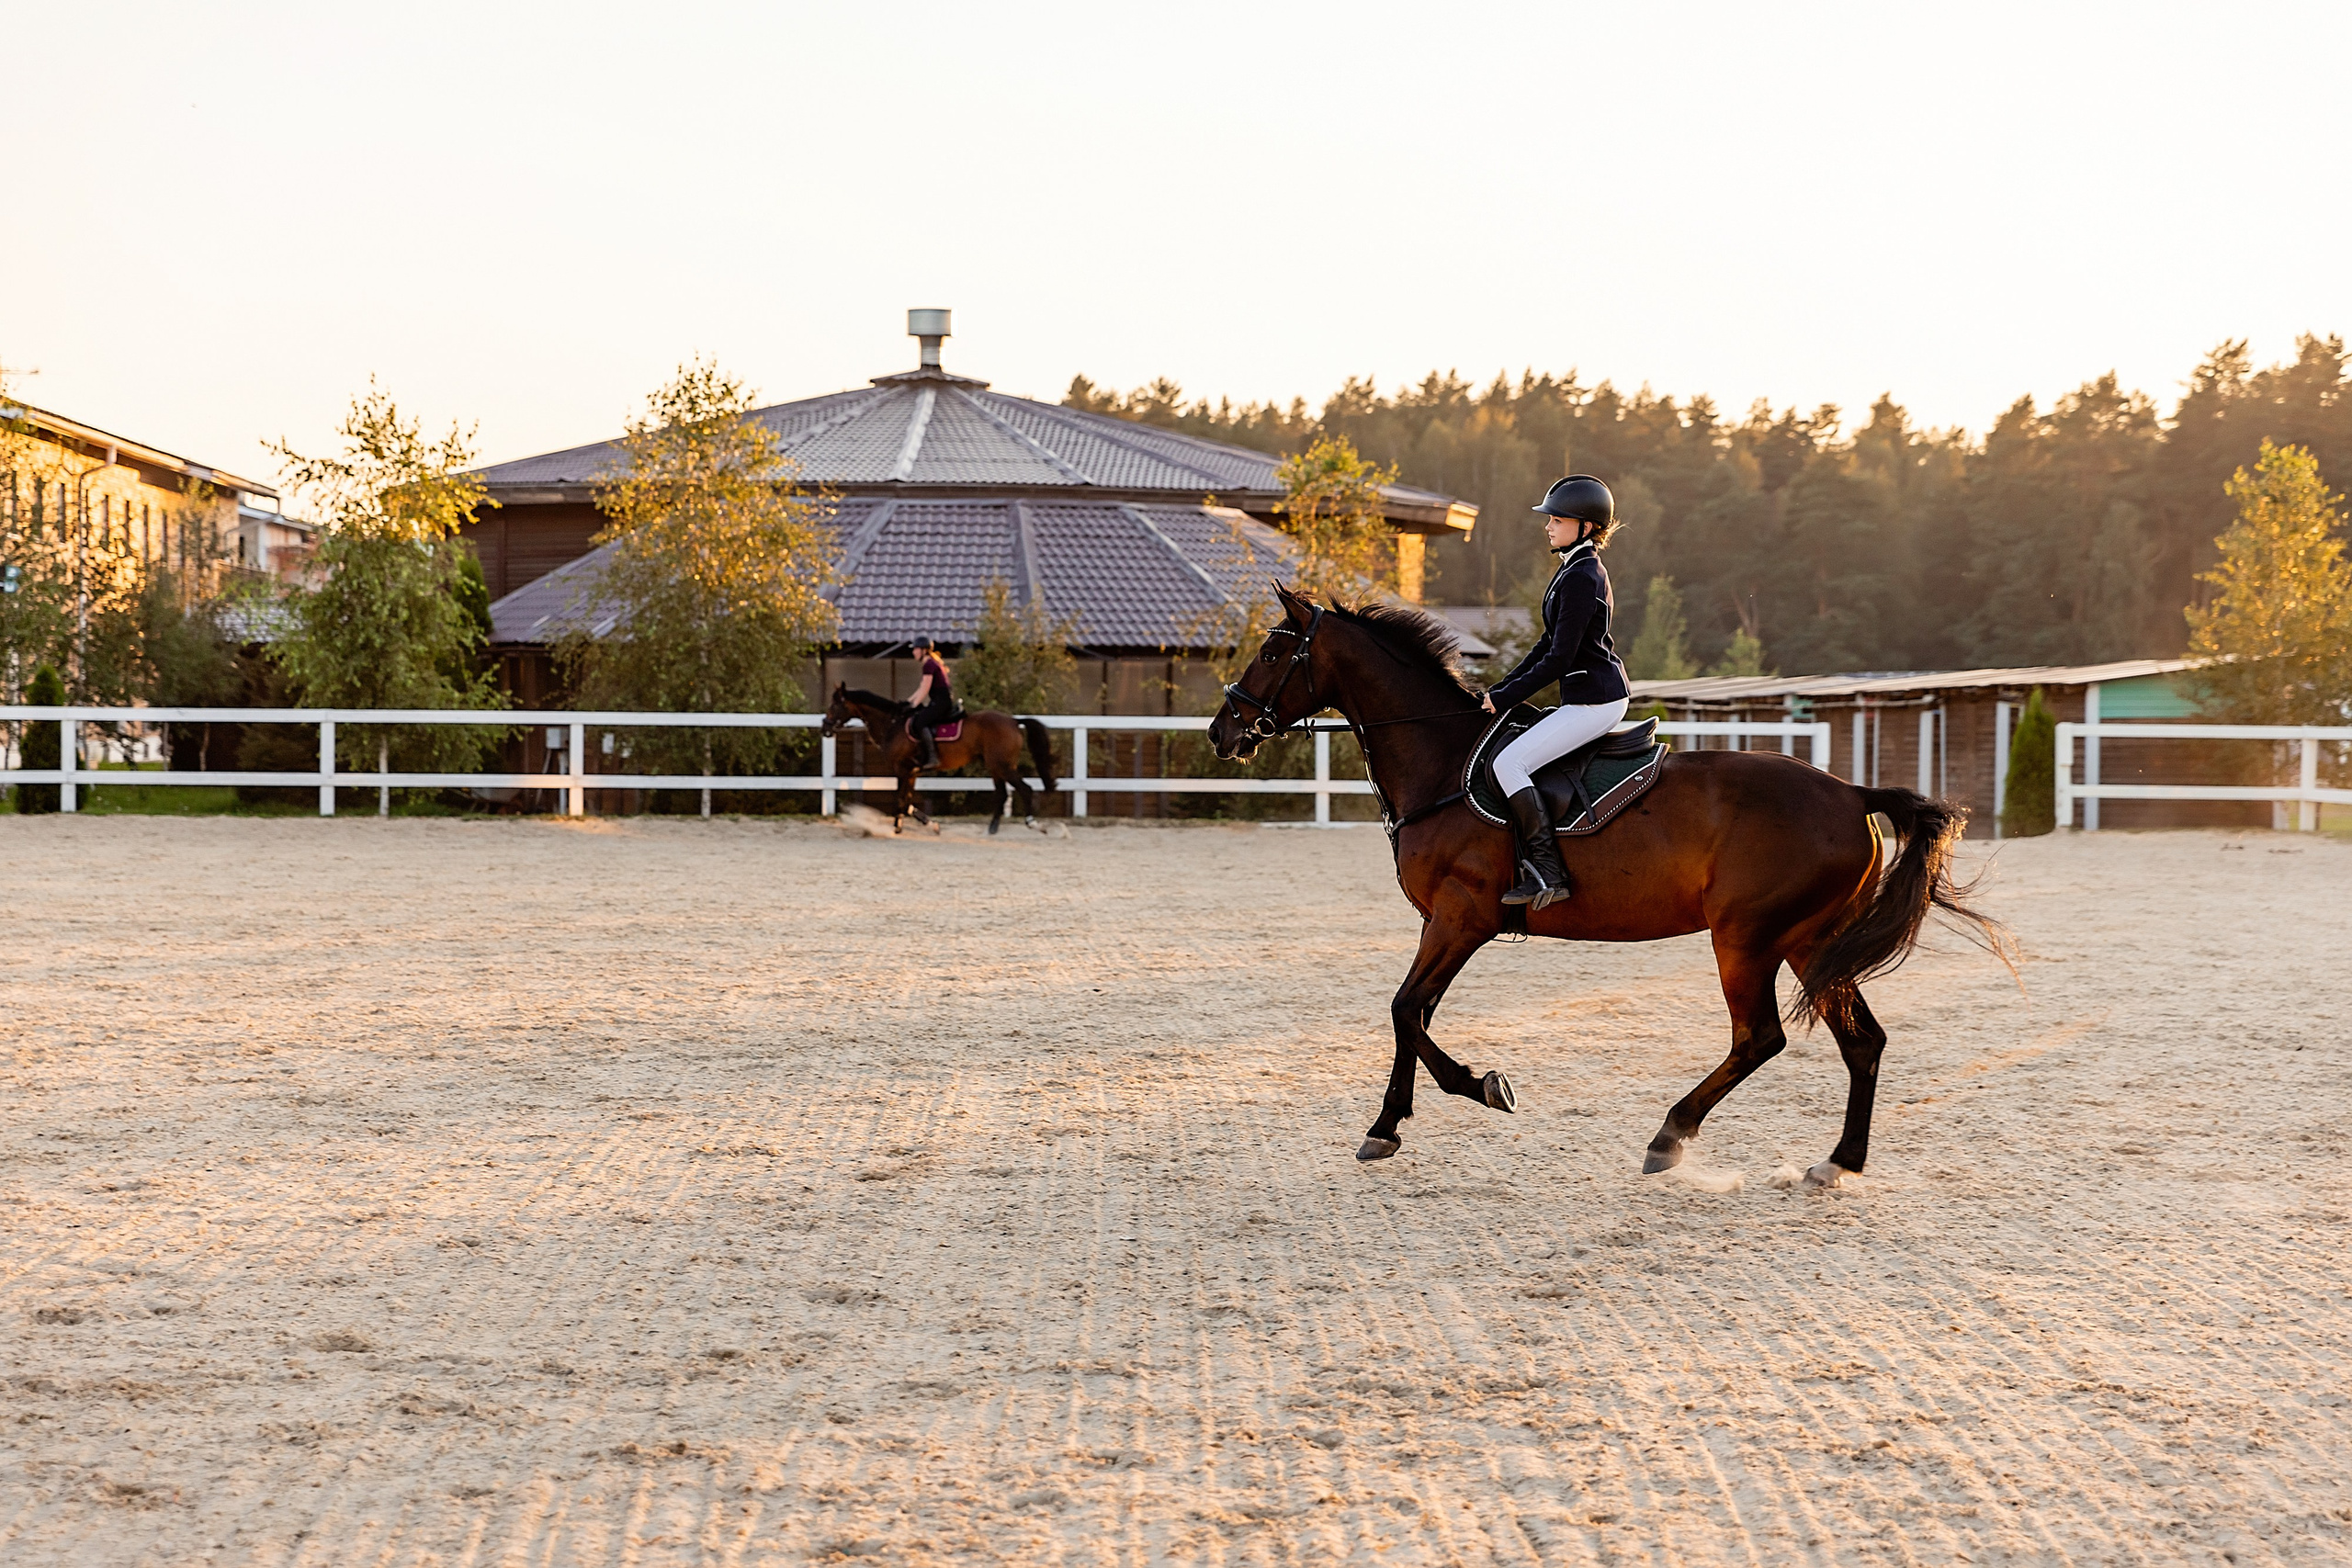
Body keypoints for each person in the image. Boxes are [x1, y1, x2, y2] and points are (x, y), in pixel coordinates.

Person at [1478, 475, 1632, 908]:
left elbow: (1560, 660)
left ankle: (1548, 871)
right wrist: (1501, 689)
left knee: (1509, 764)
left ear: (1585, 526)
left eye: (1558, 519)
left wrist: (1505, 698)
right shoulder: (1572, 568)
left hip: (1596, 700)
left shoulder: (1583, 575)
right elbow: (1546, 646)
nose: (1548, 526)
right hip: (1585, 695)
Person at [905, 635, 957, 769]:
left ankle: (932, 757)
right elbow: (921, 688)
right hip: (940, 701)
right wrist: (908, 702)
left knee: (919, 721)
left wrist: (913, 706)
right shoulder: (931, 664)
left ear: (924, 650)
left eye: (915, 649)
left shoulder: (929, 665)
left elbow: (925, 690)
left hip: (941, 702)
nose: (913, 652)